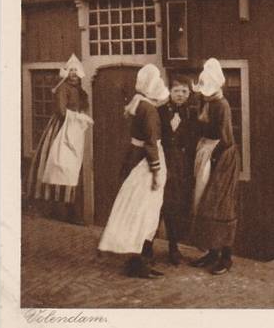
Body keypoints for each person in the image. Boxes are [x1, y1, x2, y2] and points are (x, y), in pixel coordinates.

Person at [98, 64, 169, 279]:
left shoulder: (139, 102)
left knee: (139, 209)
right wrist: (156, 172)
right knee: (142, 210)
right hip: (144, 164)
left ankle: (140, 259)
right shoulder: (147, 108)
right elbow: (150, 143)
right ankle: (137, 262)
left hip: (135, 159)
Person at [26, 54, 92, 222]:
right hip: (62, 128)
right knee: (59, 164)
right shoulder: (63, 88)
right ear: (67, 72)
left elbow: (84, 106)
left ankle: (71, 209)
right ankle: (59, 210)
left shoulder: (80, 89)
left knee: (73, 166)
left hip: (75, 128)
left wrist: (82, 115)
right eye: (71, 71)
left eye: (76, 71)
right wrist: (77, 117)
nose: (73, 74)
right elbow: (62, 111)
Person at [190, 58, 240, 275]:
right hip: (207, 152)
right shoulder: (207, 102)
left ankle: (226, 257)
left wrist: (214, 158)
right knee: (204, 201)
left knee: (220, 203)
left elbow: (226, 139)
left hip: (222, 157)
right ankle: (212, 251)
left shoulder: (222, 105)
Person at [157, 75, 198, 265]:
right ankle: (146, 249)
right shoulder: (159, 111)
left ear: (189, 94)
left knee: (176, 207)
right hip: (163, 163)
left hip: (182, 167)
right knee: (157, 205)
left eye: (184, 91)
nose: (180, 95)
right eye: (176, 91)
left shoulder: (192, 114)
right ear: (169, 92)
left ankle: (173, 248)